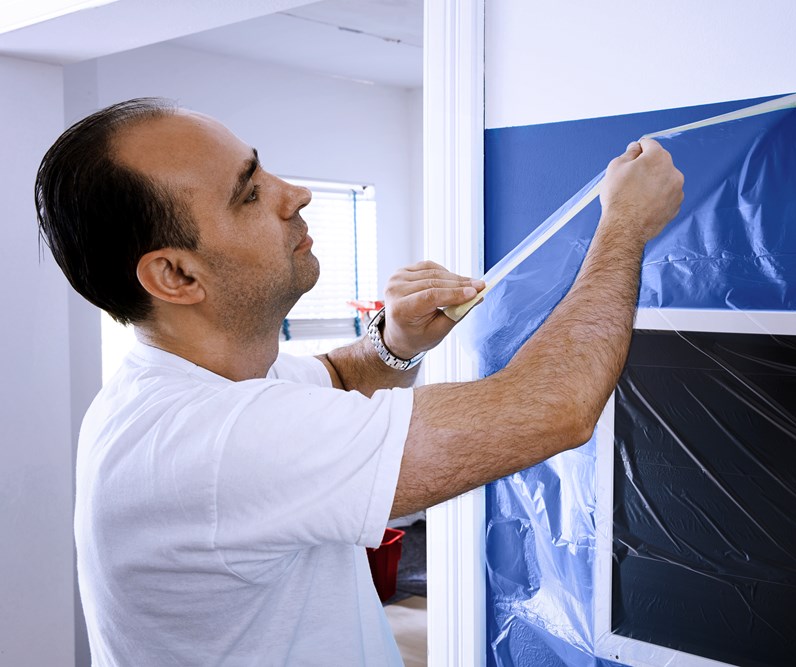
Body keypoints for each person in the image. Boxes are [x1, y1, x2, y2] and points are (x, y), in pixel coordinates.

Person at [35, 97, 684, 666]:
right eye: (250, 194)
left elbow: (339, 378)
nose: (296, 193)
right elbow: (552, 408)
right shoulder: (211, 442)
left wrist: (395, 341)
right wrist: (625, 225)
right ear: (176, 276)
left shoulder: (189, 385)